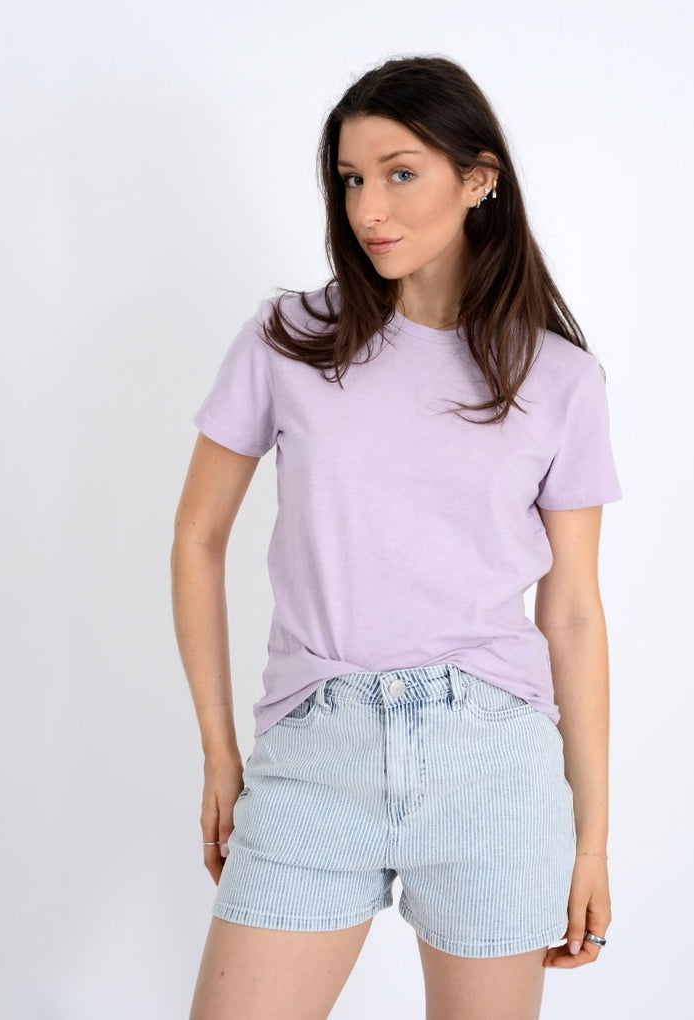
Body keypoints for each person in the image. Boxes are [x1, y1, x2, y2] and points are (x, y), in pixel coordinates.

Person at [171, 54, 621, 1020]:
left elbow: (574, 613)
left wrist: (590, 841)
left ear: (479, 179)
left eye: (400, 173)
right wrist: (219, 751)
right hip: (313, 751)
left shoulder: (559, 379)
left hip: (493, 765)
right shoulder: (288, 339)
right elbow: (197, 538)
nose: (368, 208)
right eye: (350, 179)